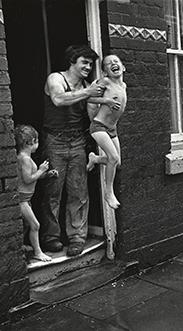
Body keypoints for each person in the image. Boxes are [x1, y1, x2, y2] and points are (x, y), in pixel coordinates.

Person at [41, 45, 105, 256]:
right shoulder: (56, 79)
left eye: (90, 63)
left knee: (78, 192)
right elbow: (59, 99)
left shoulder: (87, 86)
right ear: (72, 61)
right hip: (55, 141)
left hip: (77, 141)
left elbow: (91, 118)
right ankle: (51, 238)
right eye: (84, 62)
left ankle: (77, 238)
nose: (88, 67)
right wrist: (88, 92)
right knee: (52, 191)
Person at [86, 54, 127, 209]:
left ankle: (95, 159)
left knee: (117, 162)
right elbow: (88, 98)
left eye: (116, 61)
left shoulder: (123, 86)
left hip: (112, 128)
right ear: (105, 72)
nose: (113, 64)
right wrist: (106, 100)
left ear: (123, 67)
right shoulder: (105, 82)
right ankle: (108, 193)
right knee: (113, 157)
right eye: (108, 63)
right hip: (98, 126)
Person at [15, 125, 58, 262]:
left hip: (27, 198)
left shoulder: (25, 157)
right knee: (35, 225)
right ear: (30, 142)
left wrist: (46, 175)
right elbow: (28, 179)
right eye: (37, 141)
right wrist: (41, 170)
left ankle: (22, 247)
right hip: (22, 199)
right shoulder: (25, 159)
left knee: (26, 225)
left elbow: (30, 177)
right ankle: (38, 252)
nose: (38, 144)